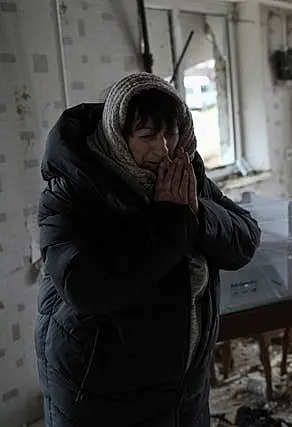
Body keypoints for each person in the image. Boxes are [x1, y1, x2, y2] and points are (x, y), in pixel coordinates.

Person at [35, 72, 261, 426]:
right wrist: (170, 218)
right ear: (117, 136)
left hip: (182, 386)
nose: (164, 148)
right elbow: (88, 288)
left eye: (170, 133)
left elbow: (245, 240)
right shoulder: (74, 190)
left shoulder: (184, 173)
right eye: (147, 136)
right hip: (103, 390)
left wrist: (196, 213)